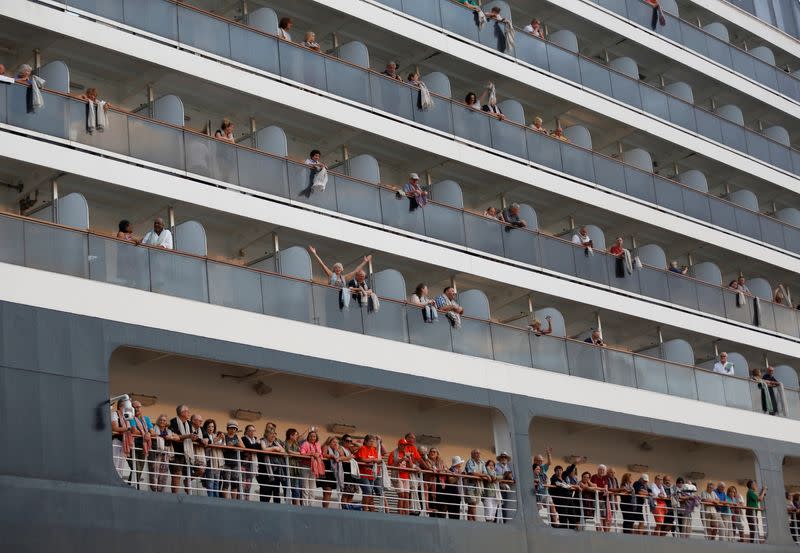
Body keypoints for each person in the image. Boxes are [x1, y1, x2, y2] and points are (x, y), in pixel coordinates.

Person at [168, 404, 195, 494]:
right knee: (177, 474)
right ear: (182, 412)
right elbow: (175, 436)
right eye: (187, 411)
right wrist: (188, 436)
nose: (189, 413)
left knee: (187, 473)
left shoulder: (189, 423)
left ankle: (188, 493)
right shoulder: (174, 421)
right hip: (176, 452)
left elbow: (189, 435)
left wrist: (195, 437)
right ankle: (174, 495)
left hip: (186, 452)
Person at [389, 438, 416, 515]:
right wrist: (400, 460)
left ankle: (406, 514)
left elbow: (410, 467)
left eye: (405, 445)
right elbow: (390, 466)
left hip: (406, 476)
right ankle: (400, 514)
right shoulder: (393, 453)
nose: (404, 447)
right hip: (397, 476)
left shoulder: (407, 453)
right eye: (402, 445)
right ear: (399, 445)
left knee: (407, 496)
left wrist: (409, 459)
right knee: (401, 495)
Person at [356, 434, 382, 512]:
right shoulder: (363, 448)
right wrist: (373, 460)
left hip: (371, 474)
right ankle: (364, 509)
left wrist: (376, 460)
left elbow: (376, 459)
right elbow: (362, 459)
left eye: (373, 441)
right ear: (366, 441)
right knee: (367, 491)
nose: (372, 443)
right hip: (363, 474)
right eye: (370, 441)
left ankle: (368, 508)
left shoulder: (373, 449)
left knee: (369, 492)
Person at [299, 429, 324, 506]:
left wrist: (317, 455)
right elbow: (302, 453)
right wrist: (311, 454)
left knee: (312, 487)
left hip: (314, 467)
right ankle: (305, 504)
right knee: (305, 487)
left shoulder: (318, 445)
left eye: (314, 436)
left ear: (316, 437)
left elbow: (320, 454)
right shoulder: (305, 444)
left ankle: (311, 504)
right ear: (308, 437)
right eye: (311, 436)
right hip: (305, 466)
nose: (313, 438)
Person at [150, 414, 173, 493]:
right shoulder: (153, 428)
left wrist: (170, 437)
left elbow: (174, 437)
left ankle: (160, 491)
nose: (162, 421)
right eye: (160, 420)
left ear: (166, 422)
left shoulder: (169, 431)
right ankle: (154, 490)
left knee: (164, 473)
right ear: (158, 421)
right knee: (154, 472)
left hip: (166, 453)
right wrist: (162, 436)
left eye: (164, 420)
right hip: (156, 453)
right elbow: (152, 434)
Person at [220, 420, 243, 499]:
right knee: (226, 482)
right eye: (231, 428)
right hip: (226, 462)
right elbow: (223, 448)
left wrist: (235, 444)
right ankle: (225, 500)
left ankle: (234, 500)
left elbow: (243, 447)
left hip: (235, 462)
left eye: (234, 428)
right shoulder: (224, 437)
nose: (233, 430)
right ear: (228, 428)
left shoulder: (237, 437)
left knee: (234, 482)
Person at [464, 449, 487, 521]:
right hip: (470, 485)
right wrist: (481, 475)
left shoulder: (482, 462)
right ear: (472, 454)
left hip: (478, 485)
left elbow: (485, 473)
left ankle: (470, 521)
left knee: (472, 505)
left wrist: (480, 474)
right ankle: (475, 520)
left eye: (479, 453)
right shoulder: (469, 461)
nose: (478, 454)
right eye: (476, 453)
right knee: (472, 502)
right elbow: (472, 472)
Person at [202, 419, 224, 498]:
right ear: (206, 427)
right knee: (210, 482)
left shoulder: (216, 435)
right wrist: (213, 441)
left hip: (217, 462)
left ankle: (216, 499)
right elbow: (206, 448)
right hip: (210, 460)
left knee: (217, 482)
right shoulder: (204, 435)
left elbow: (222, 446)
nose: (211, 428)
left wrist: (223, 439)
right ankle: (211, 499)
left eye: (212, 426)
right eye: (209, 426)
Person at [321, 435, 344, 508]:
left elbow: (342, 456)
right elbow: (324, 455)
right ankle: (325, 508)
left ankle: (326, 507)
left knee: (329, 492)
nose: (335, 443)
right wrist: (332, 456)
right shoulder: (326, 446)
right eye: (334, 442)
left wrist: (337, 450)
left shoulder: (336, 449)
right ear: (329, 442)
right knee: (327, 490)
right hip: (326, 470)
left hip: (333, 472)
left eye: (337, 442)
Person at [284, 428, 304, 505]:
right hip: (290, 467)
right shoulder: (286, 443)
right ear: (291, 436)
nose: (297, 436)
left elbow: (300, 452)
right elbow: (289, 451)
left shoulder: (296, 444)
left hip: (297, 467)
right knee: (294, 488)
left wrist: (299, 453)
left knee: (298, 488)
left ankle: (298, 504)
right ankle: (296, 505)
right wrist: (300, 454)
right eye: (295, 435)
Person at [590, 465, 611, 532]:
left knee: (604, 516)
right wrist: (603, 489)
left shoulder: (605, 478)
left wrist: (605, 490)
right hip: (595, 499)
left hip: (602, 499)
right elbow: (595, 487)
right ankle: (598, 531)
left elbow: (606, 487)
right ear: (598, 470)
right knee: (597, 516)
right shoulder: (594, 477)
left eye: (603, 470)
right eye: (600, 469)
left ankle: (605, 532)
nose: (602, 471)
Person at [495, 452, 514, 523]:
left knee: (504, 506)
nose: (504, 459)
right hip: (498, 487)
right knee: (497, 505)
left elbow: (511, 477)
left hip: (505, 488)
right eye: (502, 457)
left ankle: (504, 522)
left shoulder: (507, 467)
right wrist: (504, 476)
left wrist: (510, 477)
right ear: (500, 459)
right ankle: (496, 521)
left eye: (505, 457)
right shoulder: (496, 466)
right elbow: (495, 476)